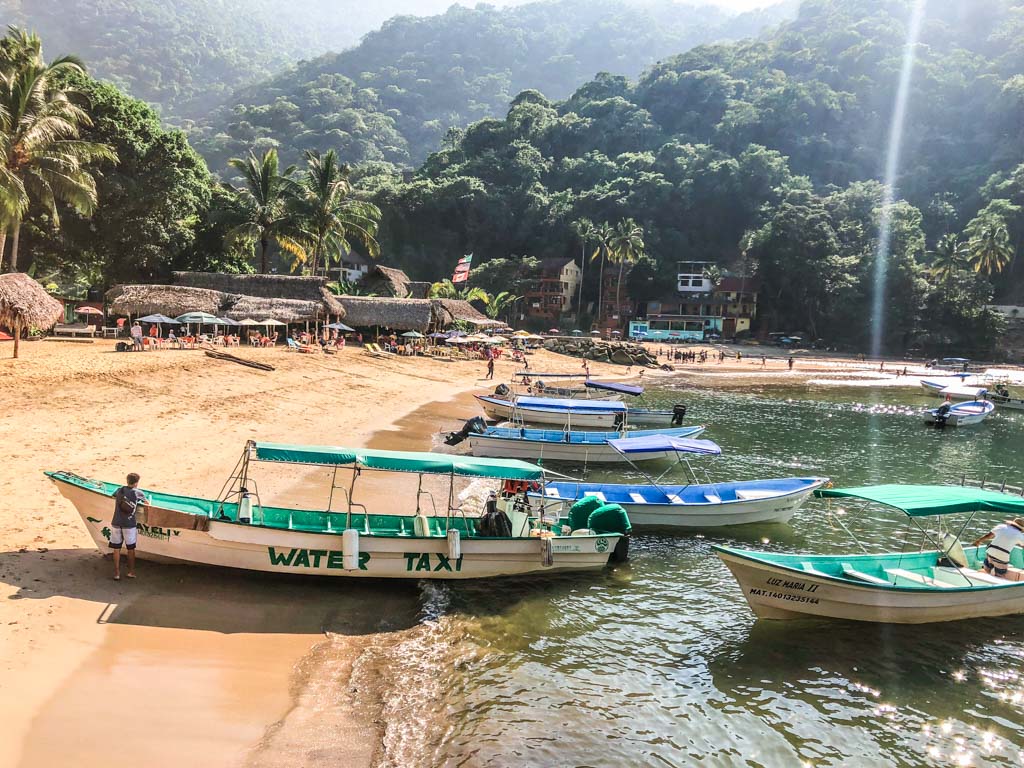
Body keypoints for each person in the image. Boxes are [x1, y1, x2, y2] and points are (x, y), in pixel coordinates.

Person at [110, 473, 147, 580]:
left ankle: (117, 573)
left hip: (116, 523)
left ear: (127, 481)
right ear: (136, 483)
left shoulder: (119, 490)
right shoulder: (138, 492)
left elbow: (113, 496)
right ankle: (131, 572)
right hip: (129, 524)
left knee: (116, 549)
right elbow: (147, 503)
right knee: (130, 549)